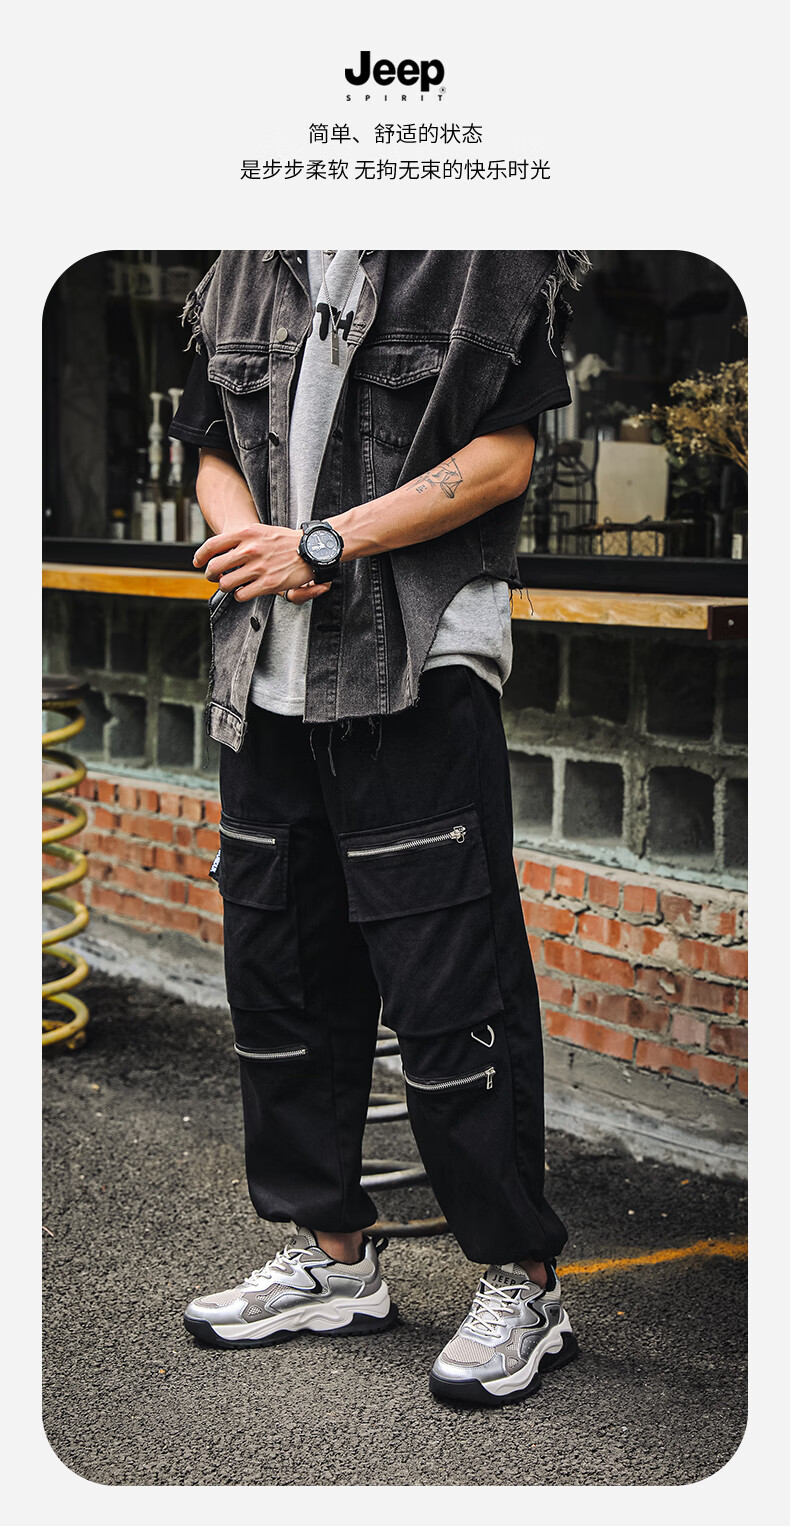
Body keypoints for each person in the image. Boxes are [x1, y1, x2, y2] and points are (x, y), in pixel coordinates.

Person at [170, 249, 588, 1406]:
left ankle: (522, 1278)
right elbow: (213, 447)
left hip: (416, 665)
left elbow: (503, 457)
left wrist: (322, 542)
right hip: (265, 672)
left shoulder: (472, 258)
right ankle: (332, 1256)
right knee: (284, 984)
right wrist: (256, 549)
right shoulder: (242, 267)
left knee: (452, 989)